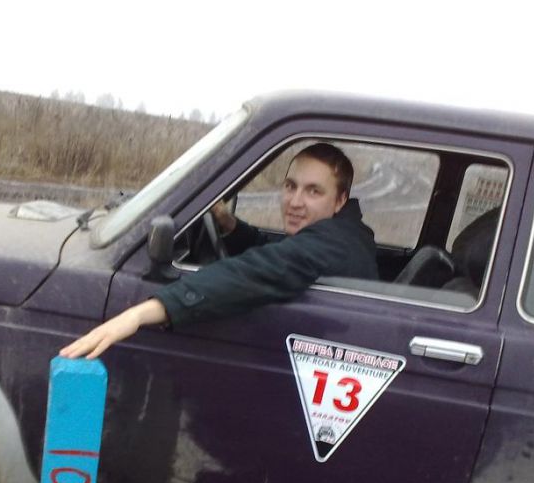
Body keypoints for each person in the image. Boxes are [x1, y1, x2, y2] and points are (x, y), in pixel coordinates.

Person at [61, 142, 377, 359]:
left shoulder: (330, 244)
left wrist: (140, 313)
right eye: (290, 186)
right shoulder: (345, 234)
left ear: (339, 200)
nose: (294, 202)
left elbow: (256, 270)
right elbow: (281, 251)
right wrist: (229, 224)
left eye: (313, 191)